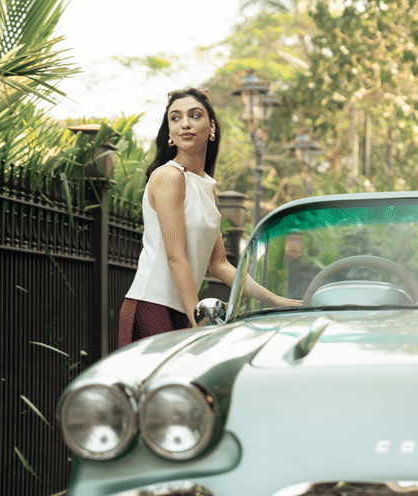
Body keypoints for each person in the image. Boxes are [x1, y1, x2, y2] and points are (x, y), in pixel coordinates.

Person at [119, 87, 299, 348]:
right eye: (176, 118)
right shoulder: (169, 176)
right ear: (169, 133)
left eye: (195, 115)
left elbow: (219, 264)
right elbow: (175, 257)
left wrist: (275, 300)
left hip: (186, 309)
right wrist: (198, 320)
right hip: (152, 307)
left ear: (211, 127)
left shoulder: (205, 188)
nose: (185, 125)